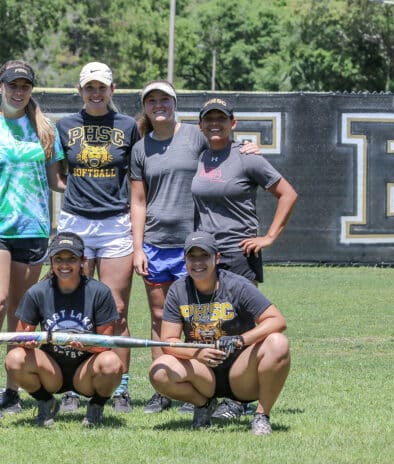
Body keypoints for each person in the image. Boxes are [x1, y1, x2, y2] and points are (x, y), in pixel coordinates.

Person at [129, 81, 260, 414]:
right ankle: (166, 388)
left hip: (195, 245)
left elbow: (223, 145)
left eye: (164, 99)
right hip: (156, 245)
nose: (158, 105)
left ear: (175, 103)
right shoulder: (140, 148)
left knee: (203, 318)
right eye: (152, 100)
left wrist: (248, 147)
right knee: (161, 319)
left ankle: (211, 384)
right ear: (145, 107)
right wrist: (138, 247)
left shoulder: (195, 135)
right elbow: (139, 200)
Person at [0, 60, 66, 417]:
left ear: (31, 89)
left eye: (24, 86)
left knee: (21, 314)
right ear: (0, 85)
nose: (17, 91)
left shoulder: (45, 128)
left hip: (33, 228)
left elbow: (57, 181)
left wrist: (101, 184)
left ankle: (11, 390)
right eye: (12, 85)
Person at [191, 96, 297, 420]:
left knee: (243, 324)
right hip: (206, 253)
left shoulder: (247, 157)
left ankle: (239, 400)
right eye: (208, 119)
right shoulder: (200, 156)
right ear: (201, 125)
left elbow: (288, 193)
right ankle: (211, 390)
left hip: (239, 252)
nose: (214, 124)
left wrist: (269, 237)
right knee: (208, 321)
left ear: (232, 123)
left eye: (221, 119)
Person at [55, 62, 139, 412]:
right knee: (77, 308)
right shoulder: (65, 126)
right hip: (76, 222)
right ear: (80, 91)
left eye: (101, 87)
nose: (95, 93)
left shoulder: (128, 126)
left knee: (116, 308)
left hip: (116, 222)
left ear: (112, 90)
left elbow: (137, 173)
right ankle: (76, 383)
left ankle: (119, 386)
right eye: (89, 87)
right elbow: (59, 173)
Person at [148, 231, 291, 435]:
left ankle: (261, 416)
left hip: (240, 373)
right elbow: (168, 341)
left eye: (204, 256)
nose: (198, 263)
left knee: (278, 343)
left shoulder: (237, 284)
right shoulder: (178, 290)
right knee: (159, 371)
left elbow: (277, 320)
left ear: (217, 257)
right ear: (185, 259)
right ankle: (203, 405)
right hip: (203, 374)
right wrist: (197, 353)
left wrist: (241, 340)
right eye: (192, 257)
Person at [4, 232, 123, 427]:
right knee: (15, 358)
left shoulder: (99, 292)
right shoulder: (37, 292)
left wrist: (88, 347)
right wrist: (29, 341)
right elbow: (21, 335)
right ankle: (45, 401)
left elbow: (106, 342)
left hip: (86, 371)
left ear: (82, 261)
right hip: (51, 370)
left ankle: (96, 407)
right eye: (59, 259)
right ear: (51, 261)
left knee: (111, 363)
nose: (64, 265)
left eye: (71, 259)